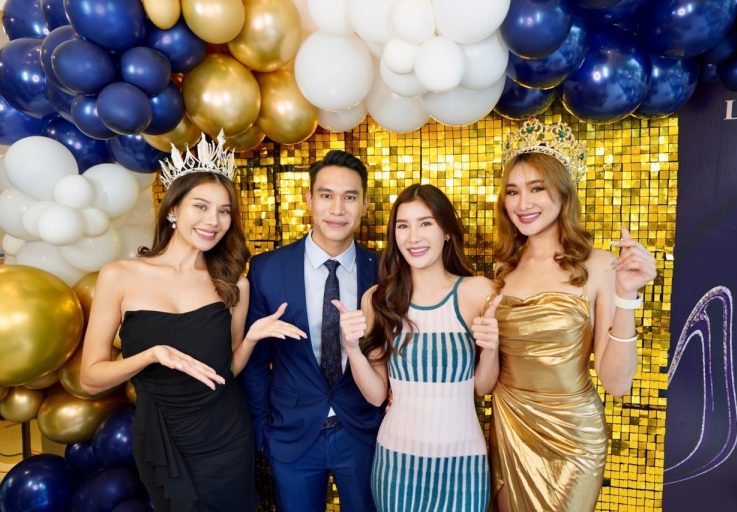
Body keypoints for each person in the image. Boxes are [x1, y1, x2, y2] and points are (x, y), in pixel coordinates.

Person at [80, 133, 305, 512]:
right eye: (200, 206)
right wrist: (152, 355)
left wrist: (250, 339)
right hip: (162, 437)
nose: (213, 221)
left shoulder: (234, 284)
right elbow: (90, 378)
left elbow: (225, 371)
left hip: (225, 435)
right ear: (173, 209)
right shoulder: (119, 275)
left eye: (224, 211)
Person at [490, 118, 657, 512]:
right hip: (509, 423)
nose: (523, 203)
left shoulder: (598, 265)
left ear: (563, 193)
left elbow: (615, 383)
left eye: (537, 188)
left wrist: (627, 295)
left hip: (572, 437)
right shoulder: (503, 268)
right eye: (513, 191)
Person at [334, 183, 502, 512]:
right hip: (396, 465)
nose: (413, 237)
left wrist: (491, 346)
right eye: (403, 226)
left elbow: (482, 387)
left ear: (447, 232)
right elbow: (377, 395)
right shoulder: (379, 299)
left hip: (464, 465)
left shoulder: (478, 292)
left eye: (425, 223)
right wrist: (352, 348)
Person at [239, 150, 383, 512]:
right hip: (291, 436)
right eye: (326, 195)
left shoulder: (383, 271)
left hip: (363, 433)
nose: (337, 209)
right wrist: (263, 431)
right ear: (309, 200)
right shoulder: (267, 269)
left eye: (350, 197)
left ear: (365, 204)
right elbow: (255, 363)